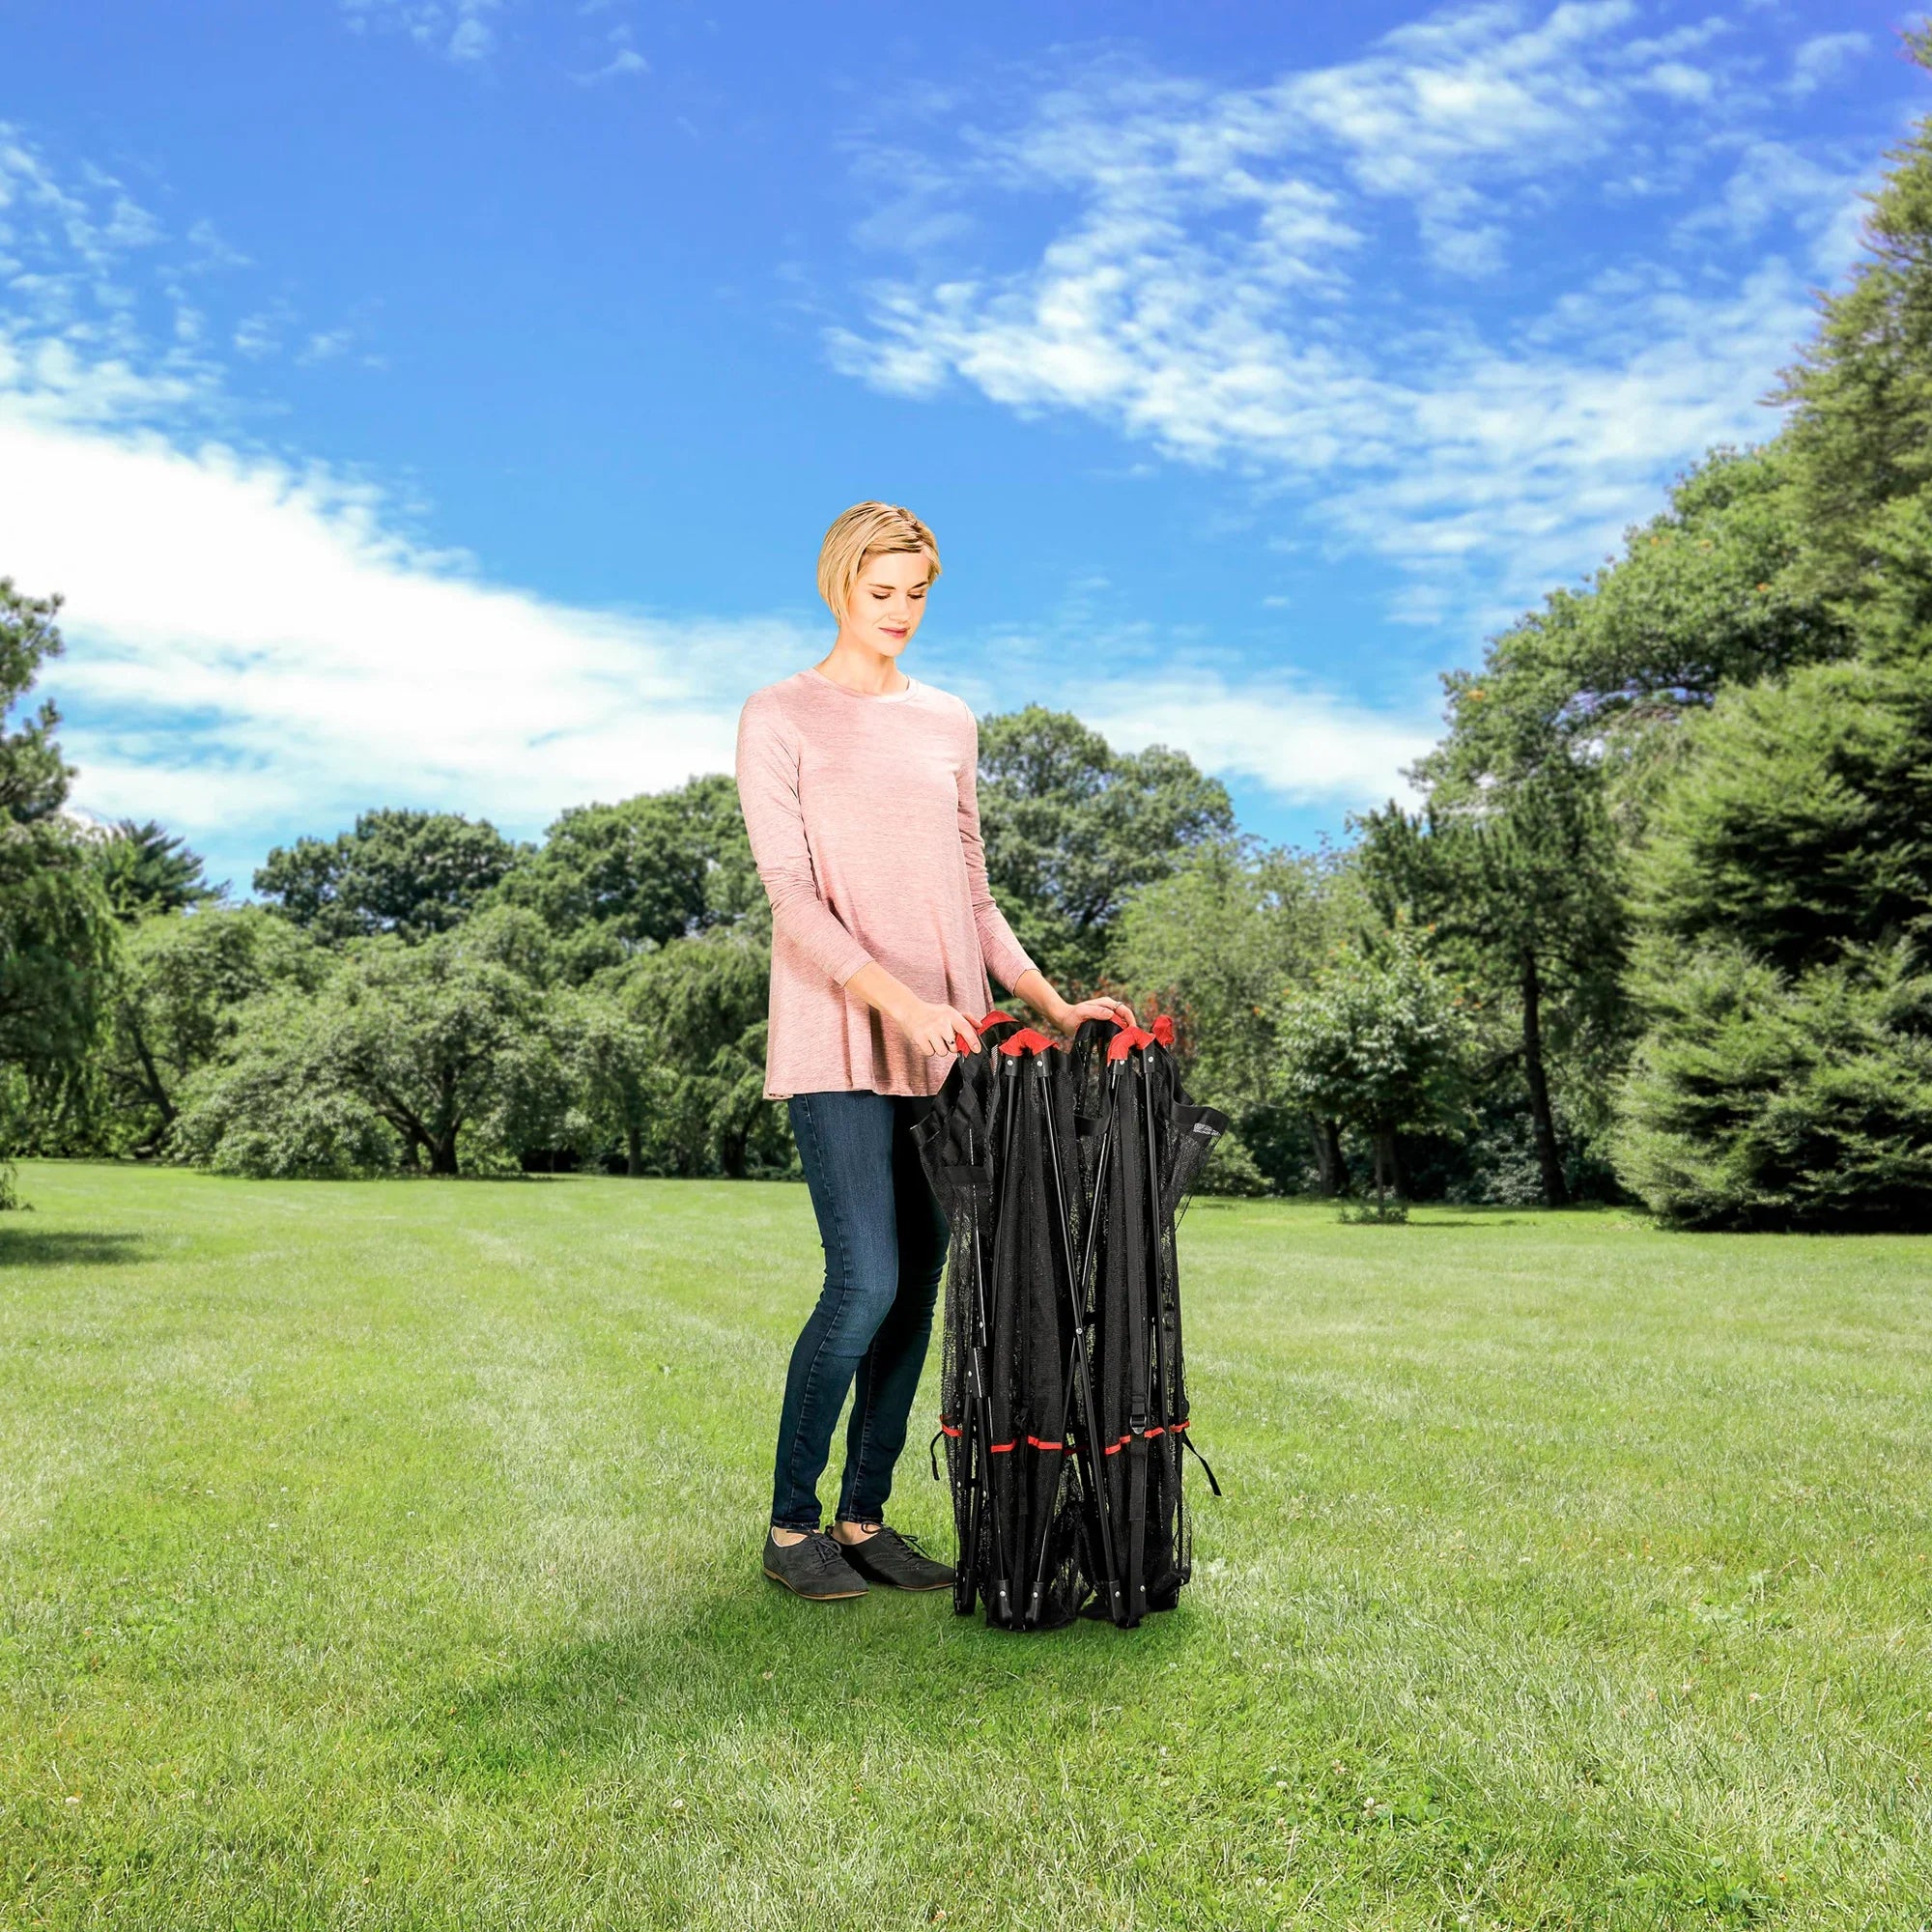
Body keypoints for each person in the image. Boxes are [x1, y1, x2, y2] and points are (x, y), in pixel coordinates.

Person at [734, 502, 1134, 1602]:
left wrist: (1049, 1005)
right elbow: (789, 896)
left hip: (947, 1042)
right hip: (840, 1033)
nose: (901, 611)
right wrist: (899, 1004)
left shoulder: (948, 720)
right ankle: (788, 1527)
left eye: (917, 592)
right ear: (837, 584)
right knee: (862, 1278)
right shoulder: (780, 714)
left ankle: (863, 1518)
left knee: (920, 1286)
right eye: (882, 591)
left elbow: (971, 892)